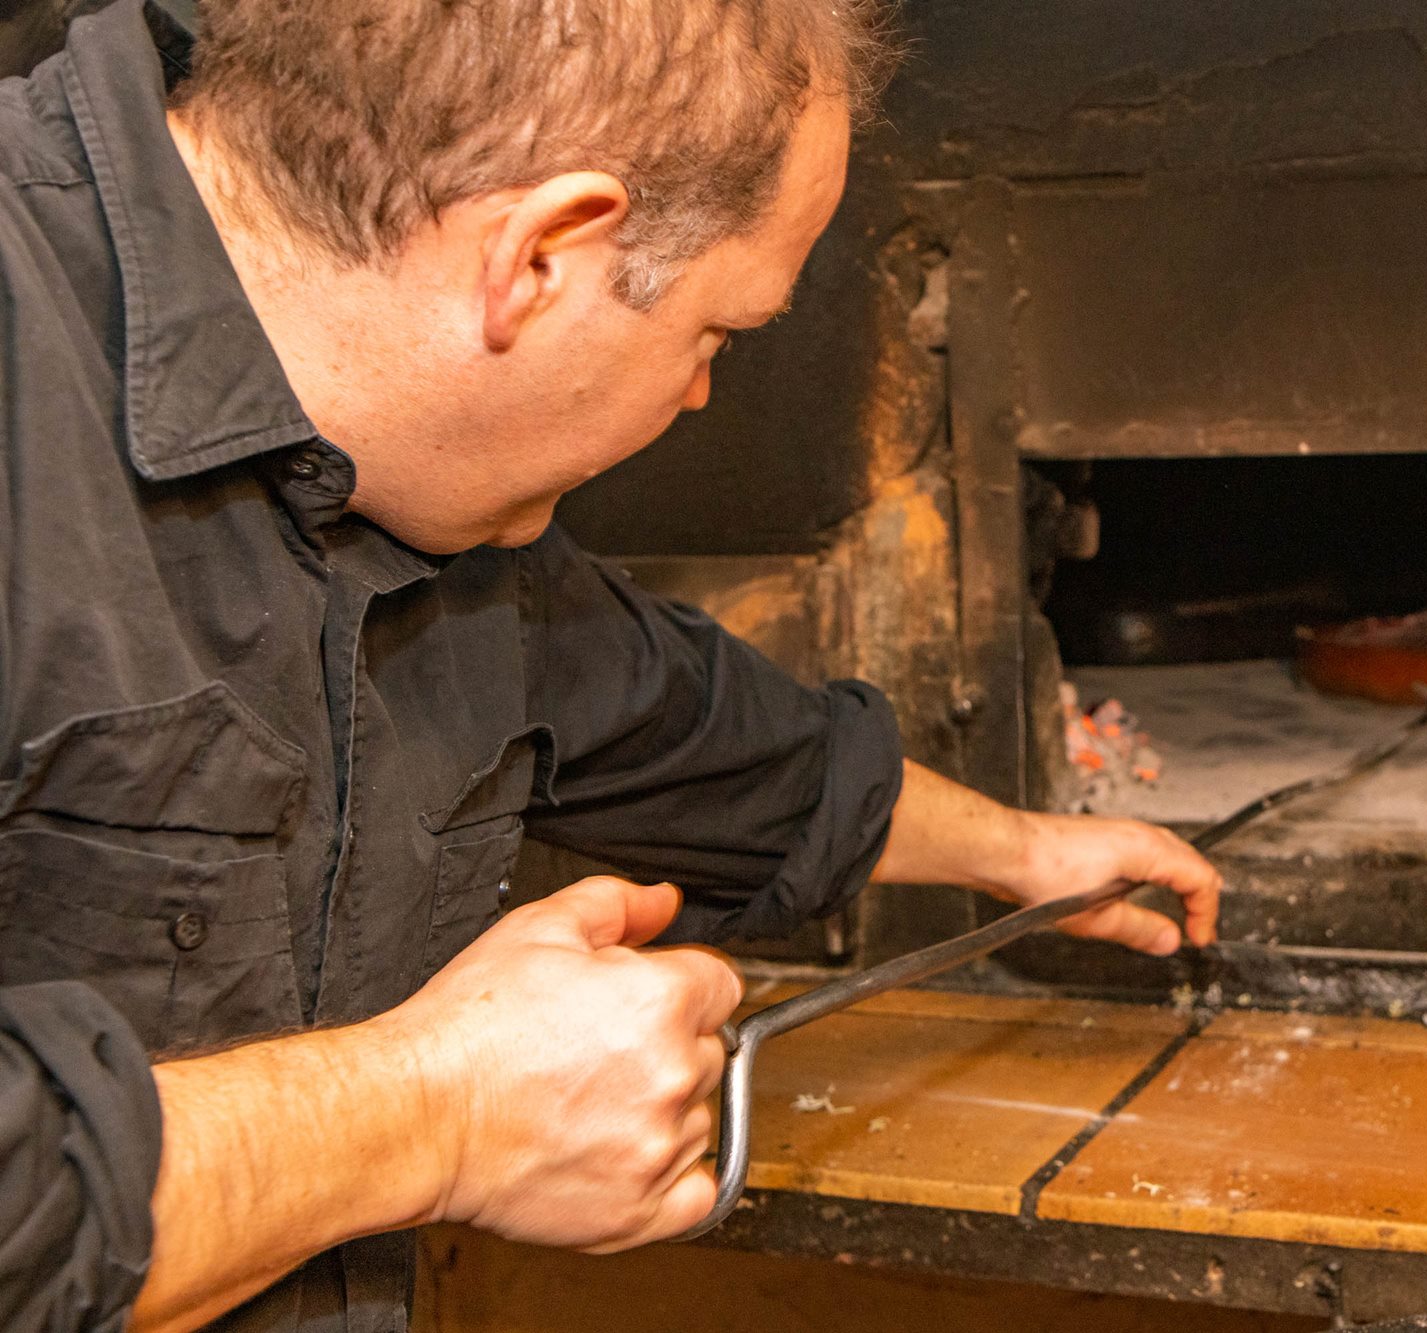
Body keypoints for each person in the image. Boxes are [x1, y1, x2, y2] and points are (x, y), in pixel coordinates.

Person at [0, 2, 1225, 1329]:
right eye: (717, 333)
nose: (702, 393)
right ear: (538, 258)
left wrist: (1023, 854)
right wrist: (441, 1109)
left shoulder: (413, 494)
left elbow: (689, 730)